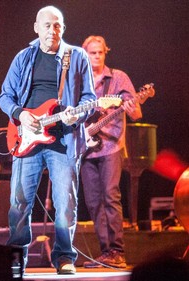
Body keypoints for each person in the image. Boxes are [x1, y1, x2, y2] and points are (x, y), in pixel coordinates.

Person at [0, 6, 96, 274]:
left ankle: (64, 257)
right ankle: (16, 260)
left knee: (65, 204)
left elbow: (90, 100)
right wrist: (20, 114)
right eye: (47, 25)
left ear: (62, 28)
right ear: (36, 27)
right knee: (19, 203)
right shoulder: (23, 57)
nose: (52, 30)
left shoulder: (76, 57)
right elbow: (5, 96)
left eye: (57, 25)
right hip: (26, 137)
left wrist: (73, 117)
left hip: (63, 140)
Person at [80, 35, 142, 268]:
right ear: (84, 55)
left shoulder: (118, 78)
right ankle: (106, 253)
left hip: (110, 147)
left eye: (100, 52)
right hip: (85, 148)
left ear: (105, 52)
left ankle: (118, 251)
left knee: (110, 197)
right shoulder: (78, 81)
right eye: (92, 53)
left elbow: (136, 113)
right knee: (94, 202)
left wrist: (130, 105)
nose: (96, 56)